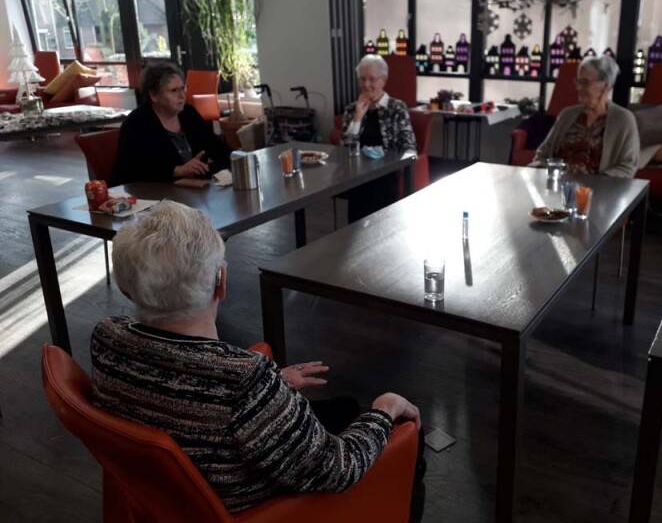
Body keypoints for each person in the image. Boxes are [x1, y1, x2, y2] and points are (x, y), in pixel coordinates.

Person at [90, 200, 422, 514]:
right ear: (221, 283)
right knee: (400, 429)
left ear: (126, 288)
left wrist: (273, 387)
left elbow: (184, 388)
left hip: (173, 499)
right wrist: (386, 408)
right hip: (268, 510)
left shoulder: (106, 338)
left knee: (345, 408)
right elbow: (338, 469)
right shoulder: (243, 383)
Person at [112, 62, 231, 185]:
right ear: (154, 95)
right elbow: (133, 170)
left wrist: (237, 158)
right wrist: (177, 171)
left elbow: (216, 148)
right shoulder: (136, 123)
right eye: (174, 90)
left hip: (193, 190)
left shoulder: (188, 113)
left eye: (183, 88)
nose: (182, 96)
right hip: (151, 192)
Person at [529, 55, 639, 178]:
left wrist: (599, 183)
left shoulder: (623, 119)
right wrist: (544, 171)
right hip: (559, 185)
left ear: (605, 86)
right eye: (578, 81)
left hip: (599, 188)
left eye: (585, 82)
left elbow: (628, 166)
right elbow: (543, 153)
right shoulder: (567, 115)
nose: (578, 87)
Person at [340, 54, 417, 222]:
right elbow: (345, 148)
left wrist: (404, 161)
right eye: (362, 79)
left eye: (372, 79)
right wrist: (358, 117)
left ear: (383, 80)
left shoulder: (397, 108)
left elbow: (408, 143)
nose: (366, 85)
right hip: (358, 176)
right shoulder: (351, 109)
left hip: (386, 175)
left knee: (382, 215)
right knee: (356, 223)